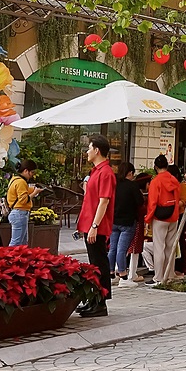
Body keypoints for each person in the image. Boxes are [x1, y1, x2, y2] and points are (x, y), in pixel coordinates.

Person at [77, 135, 116, 317]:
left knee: (99, 263)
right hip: (89, 224)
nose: (87, 151)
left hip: (96, 225)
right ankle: (94, 299)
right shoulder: (96, 171)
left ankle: (101, 302)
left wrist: (94, 225)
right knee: (95, 263)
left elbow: (104, 201)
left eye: (89, 148)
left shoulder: (106, 172)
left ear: (97, 150)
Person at [145, 153, 181, 288]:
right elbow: (177, 200)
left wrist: (148, 219)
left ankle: (158, 277)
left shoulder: (156, 181)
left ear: (155, 167)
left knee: (159, 247)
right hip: (173, 216)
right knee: (170, 247)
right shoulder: (174, 180)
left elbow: (152, 202)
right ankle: (169, 275)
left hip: (160, 217)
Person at [110, 162, 143, 285]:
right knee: (121, 249)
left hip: (114, 220)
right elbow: (140, 202)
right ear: (130, 173)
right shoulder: (132, 186)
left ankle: (111, 272)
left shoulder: (114, 184)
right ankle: (123, 274)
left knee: (112, 248)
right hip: (127, 222)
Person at [6, 158, 43, 247]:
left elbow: (23, 191)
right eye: (32, 173)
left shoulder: (15, 179)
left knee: (22, 243)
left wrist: (33, 189)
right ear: (26, 171)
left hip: (17, 213)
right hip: (20, 213)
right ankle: (9, 258)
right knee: (16, 242)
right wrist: (35, 193)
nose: (32, 175)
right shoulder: (21, 182)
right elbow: (24, 200)